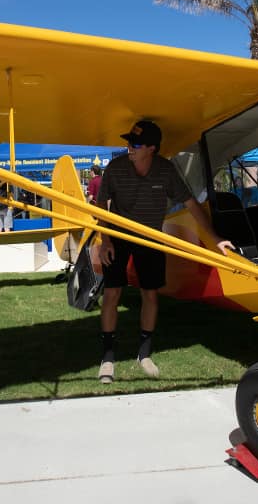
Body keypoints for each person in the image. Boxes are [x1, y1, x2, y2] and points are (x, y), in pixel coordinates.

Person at [95, 120, 233, 383]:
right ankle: (108, 358)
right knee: (112, 293)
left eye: (135, 144)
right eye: (128, 142)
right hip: (120, 234)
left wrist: (215, 239)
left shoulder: (165, 171)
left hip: (151, 237)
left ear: (152, 148)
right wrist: (106, 240)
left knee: (151, 294)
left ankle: (144, 354)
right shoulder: (116, 168)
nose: (129, 148)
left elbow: (192, 205)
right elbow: (102, 205)